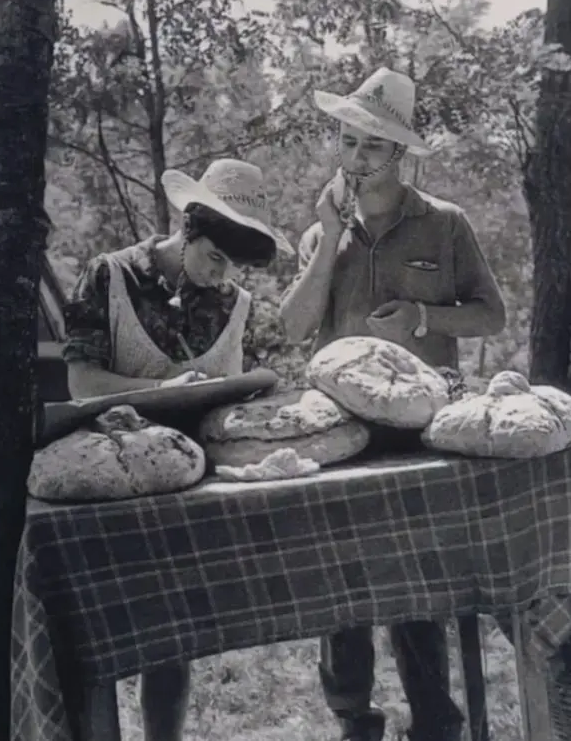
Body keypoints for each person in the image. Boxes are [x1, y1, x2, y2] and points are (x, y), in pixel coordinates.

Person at [279, 67, 507, 741]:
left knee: (419, 581)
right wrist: (325, 240)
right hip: (339, 428)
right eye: (348, 144)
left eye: (372, 148)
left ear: (399, 155)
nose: (356, 160)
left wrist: (420, 315)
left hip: (419, 428)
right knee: (341, 580)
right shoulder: (324, 230)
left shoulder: (444, 225)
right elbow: (292, 329)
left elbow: (490, 315)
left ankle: (435, 721)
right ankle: (354, 717)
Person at [62, 157, 293, 741]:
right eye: (215, 257)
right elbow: (82, 384)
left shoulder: (232, 302)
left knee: (170, 633)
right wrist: (158, 391)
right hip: (107, 482)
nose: (220, 276)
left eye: (231, 265)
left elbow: (235, 388)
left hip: (188, 485)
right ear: (188, 228)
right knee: (96, 633)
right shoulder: (109, 276)